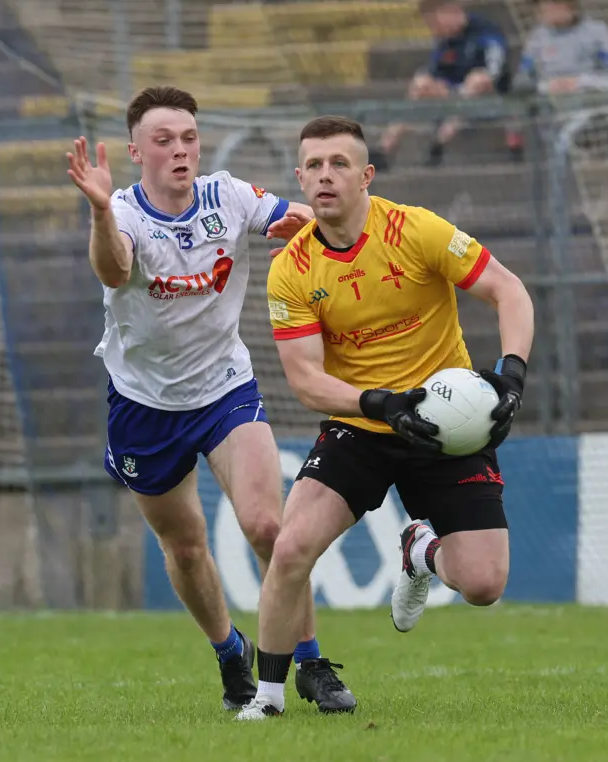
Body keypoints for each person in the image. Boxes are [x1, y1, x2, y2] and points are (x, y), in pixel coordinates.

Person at [65, 86, 356, 714]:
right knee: (187, 547)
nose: (180, 151)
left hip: (225, 387)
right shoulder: (121, 212)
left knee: (268, 527)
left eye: (189, 138)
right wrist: (95, 211)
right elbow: (115, 269)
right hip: (143, 405)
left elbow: (303, 216)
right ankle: (231, 657)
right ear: (136, 150)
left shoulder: (227, 196)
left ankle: (310, 664)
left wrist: (307, 235)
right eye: (164, 141)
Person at [236, 115, 534, 720]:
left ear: (366, 174)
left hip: (446, 427)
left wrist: (511, 378)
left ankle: (421, 551)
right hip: (362, 426)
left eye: (339, 163)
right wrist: (379, 403)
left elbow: (509, 291)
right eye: (314, 166)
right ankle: (265, 699)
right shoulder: (291, 267)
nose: (326, 176)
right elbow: (306, 380)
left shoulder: (415, 229)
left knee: (483, 585)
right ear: (299, 177)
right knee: (290, 547)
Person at [375, 0, 512, 168]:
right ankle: (384, 148)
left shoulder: (485, 31)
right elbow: (434, 73)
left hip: (488, 97)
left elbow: (495, 73)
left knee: (477, 80)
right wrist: (440, 88)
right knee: (421, 82)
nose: (435, 30)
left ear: (450, 11)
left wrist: (462, 90)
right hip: (454, 95)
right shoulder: (445, 42)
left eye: (435, 23)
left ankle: (437, 144)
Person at [514, 0, 608, 96]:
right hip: (550, 108)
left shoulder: (596, 32)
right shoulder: (536, 38)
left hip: (591, 104)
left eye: (556, 4)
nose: (550, 9)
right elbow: (522, 80)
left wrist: (580, 82)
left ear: (571, 6)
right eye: (544, 5)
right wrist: (547, 86)